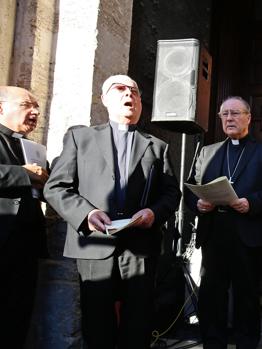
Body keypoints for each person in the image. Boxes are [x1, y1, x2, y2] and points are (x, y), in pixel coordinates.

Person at [44, 75, 181, 348]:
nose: (129, 94)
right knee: (97, 322)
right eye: (120, 88)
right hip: (95, 244)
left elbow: (171, 193)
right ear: (105, 99)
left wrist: (154, 213)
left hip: (141, 246)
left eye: (135, 91)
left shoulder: (157, 146)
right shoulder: (80, 138)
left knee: (138, 322)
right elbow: (56, 188)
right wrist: (87, 214)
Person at [185, 96, 262, 348]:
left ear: (248, 117)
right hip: (214, 232)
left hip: (247, 232)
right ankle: (213, 342)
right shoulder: (208, 152)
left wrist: (252, 202)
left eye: (235, 113)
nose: (229, 118)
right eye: (224, 114)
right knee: (211, 295)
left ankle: (246, 342)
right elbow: (191, 187)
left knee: (246, 295)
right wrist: (199, 204)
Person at [0, 86, 48, 347]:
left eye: (37, 107)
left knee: (18, 317)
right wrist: (24, 173)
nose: (35, 112)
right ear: (1, 108)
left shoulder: (30, 147)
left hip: (26, 244)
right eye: (27, 105)